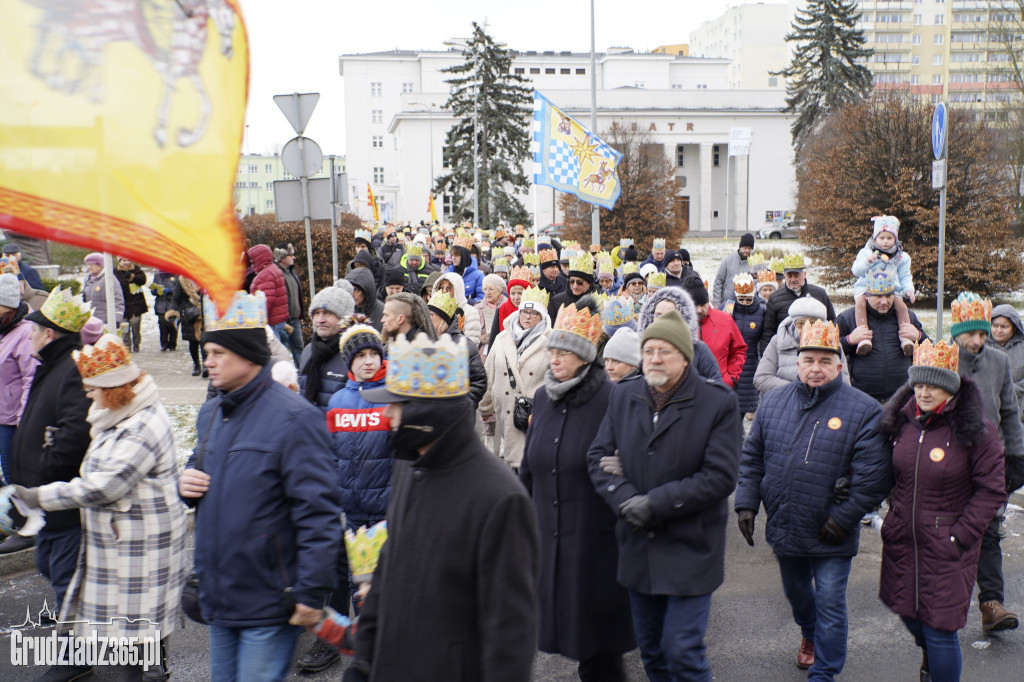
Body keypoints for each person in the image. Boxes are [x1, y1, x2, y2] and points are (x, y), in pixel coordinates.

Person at [345, 333, 540, 682]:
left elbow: (510, 636)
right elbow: (388, 569)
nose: (386, 414)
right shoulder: (410, 463)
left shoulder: (500, 499)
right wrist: (363, 662)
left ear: (427, 412)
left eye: (397, 404)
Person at [178, 291, 342, 682]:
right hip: (221, 595)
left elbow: (319, 514)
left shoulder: (295, 418)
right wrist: (184, 483)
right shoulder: (212, 412)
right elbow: (198, 469)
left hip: (270, 599)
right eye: (207, 351)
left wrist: (309, 592)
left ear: (249, 355)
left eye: (218, 352)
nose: (209, 361)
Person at [12, 335, 186, 682]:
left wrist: (38, 496)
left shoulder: (143, 425)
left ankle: (147, 669)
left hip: (142, 546)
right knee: (128, 631)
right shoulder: (118, 415)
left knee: (130, 636)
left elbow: (104, 485)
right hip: (122, 542)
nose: (87, 394)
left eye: (92, 389)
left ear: (112, 389)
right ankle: (150, 666)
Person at [587, 310, 741, 682]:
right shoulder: (624, 396)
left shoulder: (716, 403)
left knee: (682, 651)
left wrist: (654, 503)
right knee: (653, 651)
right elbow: (597, 457)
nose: (654, 359)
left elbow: (720, 476)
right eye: (649, 350)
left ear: (686, 357)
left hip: (690, 547)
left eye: (665, 351)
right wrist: (624, 498)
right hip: (638, 547)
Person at [735, 320, 892, 680]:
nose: (816, 368)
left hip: (832, 529)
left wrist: (845, 516)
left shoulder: (864, 409)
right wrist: (746, 501)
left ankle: (825, 671)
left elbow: (874, 476)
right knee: (797, 594)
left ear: (839, 365)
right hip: (787, 522)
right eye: (808, 360)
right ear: (797, 362)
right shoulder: (773, 401)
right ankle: (809, 632)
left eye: (825, 360)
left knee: (832, 603)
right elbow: (753, 455)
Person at [521, 296, 635, 681]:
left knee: (599, 650)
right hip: (551, 542)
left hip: (597, 545)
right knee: (569, 633)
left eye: (563, 352)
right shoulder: (542, 397)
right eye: (552, 349)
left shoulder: (612, 399)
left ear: (585, 357)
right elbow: (529, 470)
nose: (554, 358)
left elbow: (631, 465)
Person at [878, 340, 1006, 682]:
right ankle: (930, 655)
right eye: (918, 384)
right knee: (906, 611)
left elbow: (992, 490)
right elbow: (885, 474)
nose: (923, 392)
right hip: (903, 540)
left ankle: (937, 665)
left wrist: (960, 537)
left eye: (932, 386)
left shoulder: (977, 431)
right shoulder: (902, 424)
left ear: (949, 388)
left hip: (949, 546)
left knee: (941, 629)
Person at [297, 319, 390, 674]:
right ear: (348, 361)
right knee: (360, 590)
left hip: (386, 517)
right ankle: (368, 661)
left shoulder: (393, 397)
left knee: (384, 596)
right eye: (361, 355)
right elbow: (331, 456)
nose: (368, 361)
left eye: (373, 354)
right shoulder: (337, 402)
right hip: (353, 519)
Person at [5, 288, 93, 603]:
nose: (29, 338)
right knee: (49, 567)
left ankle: (75, 647)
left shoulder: (72, 369)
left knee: (67, 584)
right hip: (43, 504)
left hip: (59, 504)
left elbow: (74, 435)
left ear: (50, 334)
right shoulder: (52, 365)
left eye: (34, 332)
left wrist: (42, 477)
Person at [950, 292, 1024, 631]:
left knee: (989, 530)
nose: (979, 340)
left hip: (990, 461)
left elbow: (1010, 411)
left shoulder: (999, 362)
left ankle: (991, 604)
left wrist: (1017, 456)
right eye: (972, 333)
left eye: (984, 333)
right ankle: (945, 609)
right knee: (949, 533)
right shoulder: (942, 358)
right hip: (949, 462)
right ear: (957, 331)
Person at [479, 287, 551, 471]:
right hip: (507, 408)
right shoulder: (502, 338)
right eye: (525, 312)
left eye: (534, 313)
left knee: (531, 462)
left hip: (534, 414)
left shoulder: (549, 341)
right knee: (512, 459)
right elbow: (489, 372)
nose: (527, 316)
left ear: (542, 317)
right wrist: (485, 405)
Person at [837, 268, 926, 403]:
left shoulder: (908, 317)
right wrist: (849, 340)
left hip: (902, 399)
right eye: (878, 296)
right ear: (867, 295)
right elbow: (831, 350)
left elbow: (930, 351)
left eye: (888, 295)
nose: (884, 302)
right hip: (861, 398)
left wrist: (919, 336)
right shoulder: (847, 318)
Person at [755, 297, 851, 397]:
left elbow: (844, 381)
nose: (805, 328)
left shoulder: (832, 343)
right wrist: (798, 391)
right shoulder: (777, 341)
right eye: (800, 323)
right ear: (794, 323)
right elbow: (762, 378)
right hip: (784, 401)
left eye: (812, 323)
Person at [851, 216, 916, 356]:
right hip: (866, 288)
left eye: (889, 238)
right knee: (860, 304)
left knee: (902, 307)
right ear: (875, 239)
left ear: (896, 239)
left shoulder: (901, 257)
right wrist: (867, 263)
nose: (885, 242)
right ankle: (863, 337)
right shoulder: (866, 253)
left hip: (891, 290)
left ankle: (905, 338)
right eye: (882, 238)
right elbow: (856, 271)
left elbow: (905, 276)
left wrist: (908, 290)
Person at [636, 286, 723, 382]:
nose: (662, 320)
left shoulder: (699, 349)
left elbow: (715, 387)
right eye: (658, 315)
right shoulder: (641, 347)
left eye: (669, 315)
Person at [0, 274, 38, 489]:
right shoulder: (2, 327)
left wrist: (23, 420)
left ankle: (18, 515)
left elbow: (30, 379)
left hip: (11, 419)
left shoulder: (25, 331)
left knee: (11, 473)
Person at [760, 253, 836, 355]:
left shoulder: (819, 294)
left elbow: (831, 323)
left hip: (816, 351)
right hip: (786, 353)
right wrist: (767, 356)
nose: (793, 279)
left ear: (804, 274)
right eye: (789, 275)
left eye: (797, 275)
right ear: (784, 276)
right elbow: (768, 332)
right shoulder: (775, 298)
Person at [298, 281, 355, 412]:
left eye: (328, 313)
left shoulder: (355, 354)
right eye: (316, 313)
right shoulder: (308, 351)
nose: (320, 320)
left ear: (345, 319)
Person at [425, 290, 487, 407]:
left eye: (431, 315)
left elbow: (479, 382)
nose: (427, 318)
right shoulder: (424, 341)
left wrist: (461, 406)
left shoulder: (464, 345)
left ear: (443, 318)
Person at [686, 279, 747, 389]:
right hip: (688, 391)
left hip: (720, 388)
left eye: (702, 305)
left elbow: (739, 349)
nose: (699, 310)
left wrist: (731, 378)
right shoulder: (679, 324)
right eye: (695, 305)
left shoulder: (725, 320)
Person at [727, 273, 764, 420]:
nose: (744, 302)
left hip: (750, 361)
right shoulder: (727, 309)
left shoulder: (761, 311)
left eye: (748, 299)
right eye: (741, 299)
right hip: (730, 360)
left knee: (745, 403)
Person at [166, 276, 205, 376]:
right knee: (193, 342)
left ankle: (206, 365)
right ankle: (196, 365)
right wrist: (173, 311)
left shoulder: (206, 276)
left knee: (205, 340)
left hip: (204, 313)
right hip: (189, 314)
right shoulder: (183, 280)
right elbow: (176, 298)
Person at [275, 243, 305, 366]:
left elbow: (298, 296)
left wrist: (301, 315)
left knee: (299, 348)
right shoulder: (276, 273)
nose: (293, 257)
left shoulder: (292, 272)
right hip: (283, 322)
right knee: (282, 351)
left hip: (295, 320)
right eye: (290, 255)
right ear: (282, 257)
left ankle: (302, 376)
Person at [989, 304, 1024, 407]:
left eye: (1004, 327)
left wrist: (1011, 390)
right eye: (995, 326)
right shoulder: (981, 346)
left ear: (1014, 328)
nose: (999, 331)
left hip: (1018, 410)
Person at [435, 272, 481, 346]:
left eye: (449, 288)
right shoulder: (434, 312)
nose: (444, 291)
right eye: (440, 288)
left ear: (457, 290)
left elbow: (471, 344)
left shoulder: (470, 312)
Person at [712, 233, 755, 308]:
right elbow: (718, 282)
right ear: (740, 247)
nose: (747, 251)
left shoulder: (753, 263)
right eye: (745, 248)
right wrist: (716, 303)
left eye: (749, 248)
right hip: (726, 303)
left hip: (744, 305)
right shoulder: (727, 261)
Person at [490, 265, 532, 342]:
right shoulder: (501, 310)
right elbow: (493, 340)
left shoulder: (535, 312)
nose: (516, 297)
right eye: (513, 293)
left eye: (520, 293)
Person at [114, 257, 147, 352]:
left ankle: (136, 343)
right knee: (125, 326)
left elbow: (143, 280)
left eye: (128, 260)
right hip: (122, 304)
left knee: (135, 324)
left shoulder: (136, 269)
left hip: (136, 303)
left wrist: (133, 277)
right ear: (119, 261)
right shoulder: (115, 272)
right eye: (124, 260)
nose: (126, 263)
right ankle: (127, 346)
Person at [548, 255, 596, 322]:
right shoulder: (556, 301)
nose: (575, 286)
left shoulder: (597, 302)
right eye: (572, 281)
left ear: (589, 283)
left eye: (579, 282)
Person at [81, 252, 124, 326]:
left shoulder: (109, 278)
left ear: (101, 265)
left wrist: (117, 319)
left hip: (105, 322)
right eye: (88, 264)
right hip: (90, 321)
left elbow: (118, 299)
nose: (89, 267)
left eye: (92, 264)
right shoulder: (87, 279)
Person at [475, 273, 507, 352]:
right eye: (485, 289)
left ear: (499, 291)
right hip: (481, 354)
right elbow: (469, 336)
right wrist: (480, 339)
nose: (487, 292)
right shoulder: (477, 308)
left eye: (491, 289)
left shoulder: (506, 307)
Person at [151, 270, 179, 352]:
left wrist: (169, 290)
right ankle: (164, 344)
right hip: (161, 304)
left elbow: (180, 289)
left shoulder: (177, 274)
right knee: (162, 324)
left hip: (173, 304)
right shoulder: (157, 274)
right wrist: (155, 291)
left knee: (173, 325)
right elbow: (153, 289)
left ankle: (173, 344)